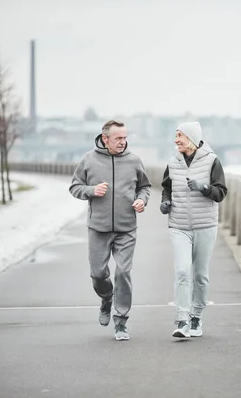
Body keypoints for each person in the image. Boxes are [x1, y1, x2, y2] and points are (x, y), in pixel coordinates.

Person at [69, 120, 151, 341]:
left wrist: (141, 201)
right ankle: (106, 297)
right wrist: (91, 190)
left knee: (123, 272)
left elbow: (145, 186)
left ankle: (121, 321)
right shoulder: (89, 159)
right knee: (97, 274)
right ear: (105, 139)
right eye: (118, 138)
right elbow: (74, 187)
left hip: (126, 228)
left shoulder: (134, 160)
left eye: (125, 138)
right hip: (98, 228)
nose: (123, 142)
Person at [159, 121, 227, 338]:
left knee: (200, 275)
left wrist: (204, 187)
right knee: (181, 271)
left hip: (205, 224)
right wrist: (166, 202)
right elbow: (166, 188)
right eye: (175, 135)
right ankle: (182, 319)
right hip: (178, 225)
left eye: (180, 135)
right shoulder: (173, 163)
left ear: (192, 138)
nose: (176, 139)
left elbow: (221, 192)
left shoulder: (212, 161)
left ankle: (196, 317)